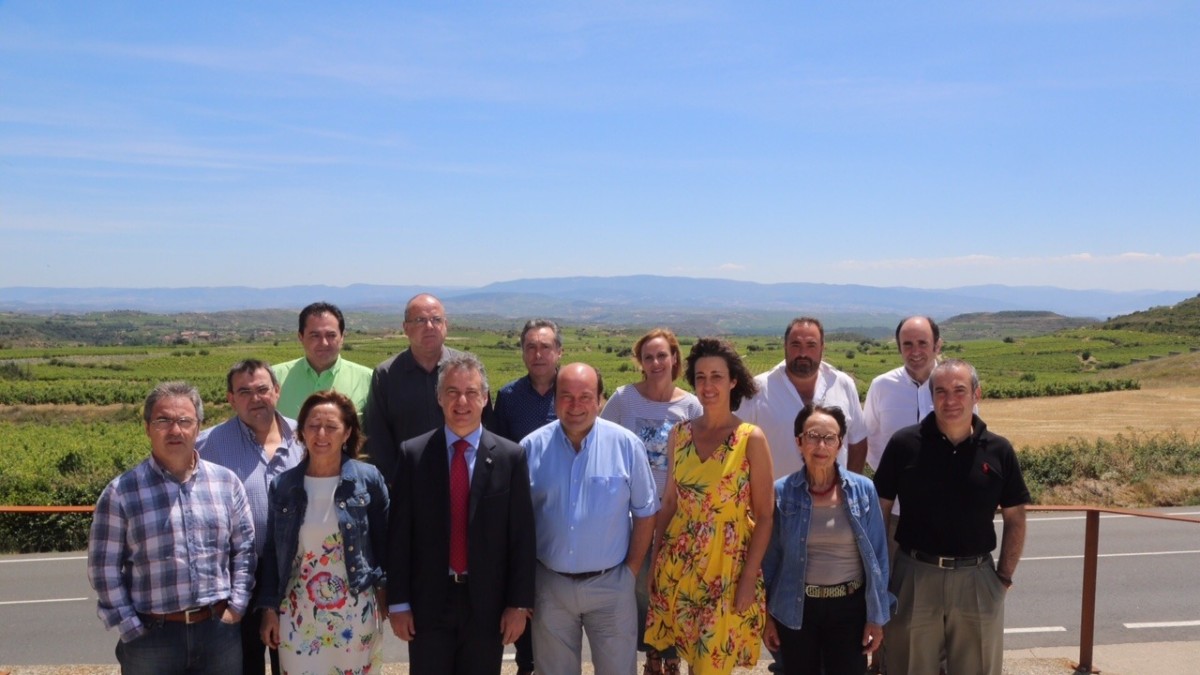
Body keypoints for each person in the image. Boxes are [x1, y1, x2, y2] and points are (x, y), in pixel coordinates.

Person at [873, 359, 1030, 675]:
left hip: (978, 579)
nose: (950, 400)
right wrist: (882, 579)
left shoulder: (999, 450)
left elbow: (1016, 517)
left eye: (960, 390)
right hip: (914, 576)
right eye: (941, 391)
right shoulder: (904, 444)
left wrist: (1003, 578)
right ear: (931, 397)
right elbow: (879, 512)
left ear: (977, 394)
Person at [88, 381, 255, 675]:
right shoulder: (121, 492)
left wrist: (237, 608)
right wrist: (131, 627)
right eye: (163, 420)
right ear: (147, 427)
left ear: (198, 427)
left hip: (218, 632)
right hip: (152, 637)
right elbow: (104, 570)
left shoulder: (226, 483)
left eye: (184, 421)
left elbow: (244, 550)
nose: (175, 430)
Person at [387, 352, 536, 674]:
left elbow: (522, 537)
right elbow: (399, 535)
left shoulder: (511, 457)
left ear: (484, 398)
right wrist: (398, 603)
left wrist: (519, 604)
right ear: (439, 398)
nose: (462, 402)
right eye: (452, 392)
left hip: (487, 605)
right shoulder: (413, 455)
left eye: (471, 393)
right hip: (428, 603)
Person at [645, 338, 773, 675]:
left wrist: (748, 579)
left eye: (716, 376)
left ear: (733, 381)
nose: (707, 385)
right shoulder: (680, 434)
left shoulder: (751, 438)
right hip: (679, 563)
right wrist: (657, 561)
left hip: (727, 568)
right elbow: (670, 500)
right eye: (700, 377)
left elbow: (765, 515)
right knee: (689, 655)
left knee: (710, 665)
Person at [521, 363, 659, 675]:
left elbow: (646, 512)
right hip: (550, 585)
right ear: (554, 400)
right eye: (566, 396)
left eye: (585, 396)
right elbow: (518, 524)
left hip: (611, 585)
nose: (575, 405)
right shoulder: (530, 448)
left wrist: (631, 571)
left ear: (600, 400)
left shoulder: (626, 445)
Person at [258, 391, 390, 674]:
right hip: (297, 612)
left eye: (331, 427)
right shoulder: (283, 486)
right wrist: (269, 609)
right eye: (313, 425)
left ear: (347, 433)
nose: (321, 434)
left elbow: (385, 542)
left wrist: (386, 592)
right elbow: (272, 551)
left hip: (356, 612)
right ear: (302, 432)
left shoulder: (368, 480)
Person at [761, 404, 893, 675]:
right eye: (812, 436)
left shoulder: (863, 490)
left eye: (829, 438)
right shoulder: (782, 492)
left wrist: (876, 618)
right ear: (799, 442)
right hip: (796, 609)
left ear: (839, 445)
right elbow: (770, 559)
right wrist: (766, 617)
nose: (820, 445)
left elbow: (878, 557)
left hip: (850, 609)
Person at [600, 328, 702, 675]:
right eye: (649, 357)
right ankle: (652, 654)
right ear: (640, 362)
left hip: (677, 513)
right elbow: (601, 443)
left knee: (672, 586)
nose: (656, 362)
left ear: (675, 358)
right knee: (642, 587)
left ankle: (671, 653)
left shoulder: (690, 405)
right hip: (632, 515)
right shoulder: (623, 399)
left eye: (663, 355)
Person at [197, 360, 304, 675]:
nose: (255, 398)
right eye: (244, 391)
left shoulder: (306, 436)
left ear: (277, 391)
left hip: (297, 578)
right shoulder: (206, 445)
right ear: (230, 398)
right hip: (237, 581)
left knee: (297, 666)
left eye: (262, 389)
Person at [489, 318, 564, 675]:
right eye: (531, 347)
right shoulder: (508, 397)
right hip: (522, 511)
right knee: (524, 591)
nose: (538, 354)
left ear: (559, 352)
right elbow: (496, 457)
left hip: (565, 511)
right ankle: (527, 663)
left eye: (545, 347)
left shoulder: (572, 390)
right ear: (522, 352)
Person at [364, 293, 491, 484]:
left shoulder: (468, 370)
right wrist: (395, 485)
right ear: (405, 328)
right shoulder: (387, 375)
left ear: (446, 325)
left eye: (436, 319)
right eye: (420, 320)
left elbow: (488, 426)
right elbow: (378, 439)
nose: (429, 326)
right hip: (408, 486)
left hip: (465, 482)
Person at [737, 317, 868, 477]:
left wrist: (850, 487)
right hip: (775, 500)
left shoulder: (843, 384)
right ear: (785, 346)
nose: (803, 353)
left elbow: (858, 442)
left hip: (835, 499)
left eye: (811, 345)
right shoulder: (757, 389)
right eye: (796, 345)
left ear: (822, 348)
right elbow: (737, 446)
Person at [273, 302, 373, 420]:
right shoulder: (274, 378)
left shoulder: (368, 379)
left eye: (331, 335)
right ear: (301, 337)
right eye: (315, 335)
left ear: (342, 337)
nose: (324, 343)